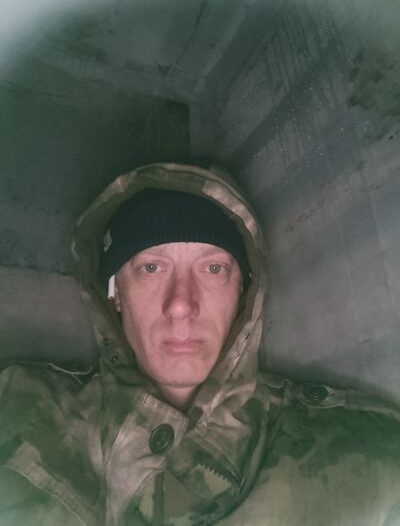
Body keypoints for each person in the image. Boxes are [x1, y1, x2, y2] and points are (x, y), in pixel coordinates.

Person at [0, 162, 400, 526]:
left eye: (213, 268)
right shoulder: (15, 409)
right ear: (116, 293)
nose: (180, 304)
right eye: (151, 267)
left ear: (243, 291)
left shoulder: (369, 453)